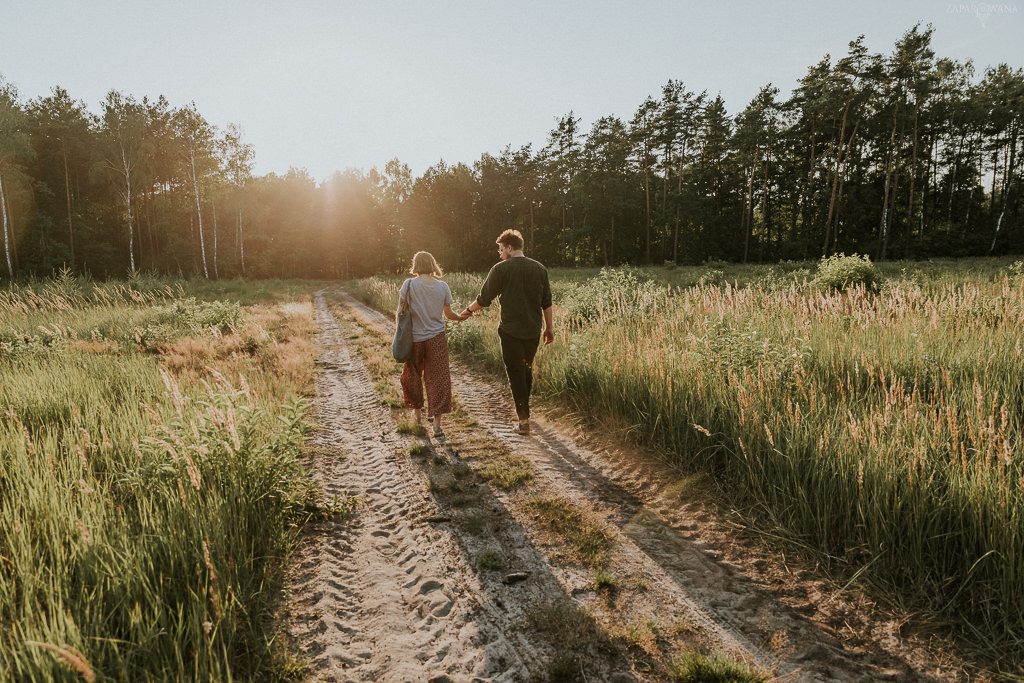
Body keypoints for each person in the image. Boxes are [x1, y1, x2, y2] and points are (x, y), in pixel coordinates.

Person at [459, 229, 553, 435]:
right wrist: (549, 328)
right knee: (526, 370)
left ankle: (523, 420)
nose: (500, 254)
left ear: (510, 248)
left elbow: (484, 299)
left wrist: (466, 311)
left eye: (501, 249)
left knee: (516, 373)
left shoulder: (500, 269)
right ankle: (525, 414)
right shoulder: (540, 269)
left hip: (510, 332)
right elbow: (547, 302)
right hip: (533, 330)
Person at [398, 251, 463, 437]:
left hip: (415, 338)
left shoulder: (408, 284)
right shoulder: (442, 286)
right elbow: (449, 314)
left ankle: (417, 413)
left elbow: (400, 311)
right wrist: (461, 317)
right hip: (436, 338)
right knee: (439, 378)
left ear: (416, 265)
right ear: (433, 265)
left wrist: (400, 334)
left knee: (413, 374)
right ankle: (437, 425)